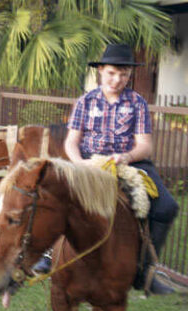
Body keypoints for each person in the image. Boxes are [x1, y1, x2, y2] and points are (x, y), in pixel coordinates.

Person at [53, 43, 181, 294]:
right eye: (112, 73)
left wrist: (126, 156)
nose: (117, 79)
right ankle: (49, 254)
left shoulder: (138, 103)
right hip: (88, 159)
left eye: (124, 74)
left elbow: (145, 145)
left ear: (129, 75)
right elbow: (71, 141)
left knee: (167, 207)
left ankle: (144, 271)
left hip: (130, 160)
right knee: (56, 196)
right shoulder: (85, 102)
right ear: (101, 70)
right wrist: (79, 163)